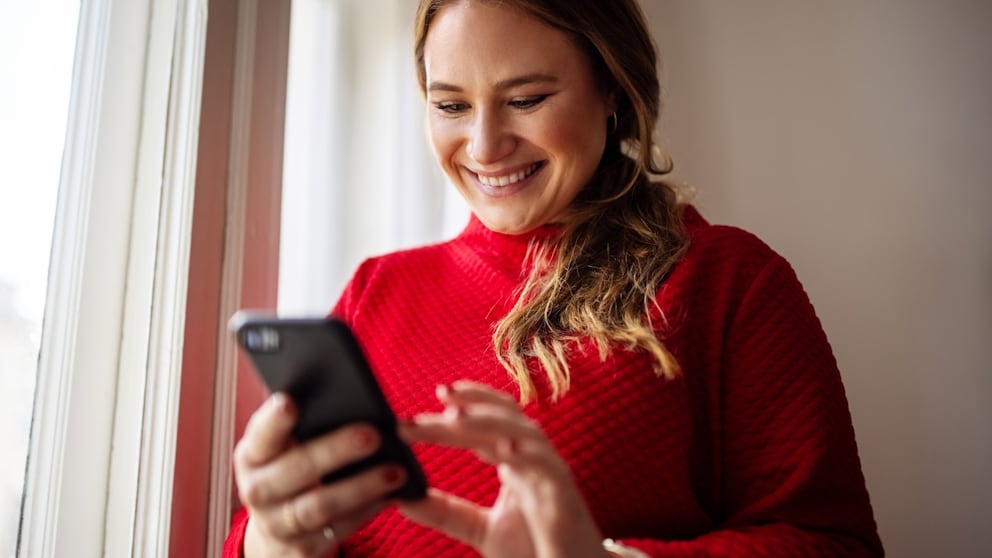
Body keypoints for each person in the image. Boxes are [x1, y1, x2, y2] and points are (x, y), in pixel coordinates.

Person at [223, 0, 884, 556]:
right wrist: (271, 541)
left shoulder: (728, 281)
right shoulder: (378, 290)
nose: (483, 147)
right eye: (450, 105)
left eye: (527, 98)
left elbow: (831, 544)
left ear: (614, 93)